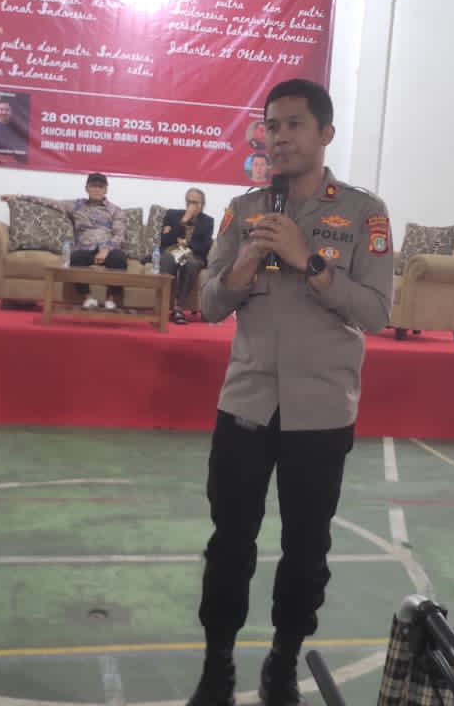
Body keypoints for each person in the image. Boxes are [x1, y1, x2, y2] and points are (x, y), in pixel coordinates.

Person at [186, 79, 395, 706]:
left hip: (321, 410)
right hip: (246, 403)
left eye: (294, 124)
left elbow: (377, 313)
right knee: (229, 542)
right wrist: (242, 268)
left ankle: (282, 661)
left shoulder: (364, 214)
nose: (279, 137)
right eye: (271, 126)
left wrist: (311, 262)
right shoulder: (243, 210)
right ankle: (217, 666)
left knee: (306, 547)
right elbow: (207, 305)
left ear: (325, 133)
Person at [2, 173, 129, 309]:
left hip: (108, 248)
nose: (97, 189)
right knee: (74, 259)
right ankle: (88, 298)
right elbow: (51, 202)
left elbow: (119, 234)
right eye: (93, 186)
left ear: (106, 189)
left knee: (120, 259)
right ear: (87, 188)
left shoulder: (115, 210)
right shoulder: (76, 205)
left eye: (100, 186)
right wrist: (19, 197)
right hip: (85, 248)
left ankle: (111, 300)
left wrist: (106, 250)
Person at [159, 188, 214, 324]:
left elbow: (204, 246)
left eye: (195, 203)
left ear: (202, 204)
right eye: (189, 202)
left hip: (194, 255)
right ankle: (162, 305)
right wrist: (184, 221)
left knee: (190, 263)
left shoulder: (207, 221)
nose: (191, 206)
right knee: (167, 259)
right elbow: (165, 240)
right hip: (173, 251)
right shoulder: (172, 215)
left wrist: (187, 244)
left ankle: (178, 308)